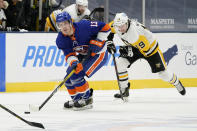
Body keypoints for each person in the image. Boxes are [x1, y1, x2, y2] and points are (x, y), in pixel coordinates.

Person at [106, 13, 186, 99]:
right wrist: (109, 41)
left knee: (164, 74)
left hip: (150, 49)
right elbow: (108, 30)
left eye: (122, 26)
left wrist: (129, 51)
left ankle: (176, 82)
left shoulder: (134, 33)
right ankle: (124, 90)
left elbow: (145, 50)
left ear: (127, 22)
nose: (120, 28)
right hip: (135, 46)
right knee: (120, 63)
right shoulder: (116, 25)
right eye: (118, 26)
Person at [55, 12, 110, 110]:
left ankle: (87, 99)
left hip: (99, 54)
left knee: (77, 76)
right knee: (68, 77)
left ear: (70, 22)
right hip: (84, 55)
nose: (63, 27)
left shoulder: (84, 26)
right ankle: (77, 99)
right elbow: (69, 55)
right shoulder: (61, 39)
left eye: (65, 23)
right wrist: (74, 63)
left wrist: (99, 40)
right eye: (60, 25)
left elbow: (106, 27)